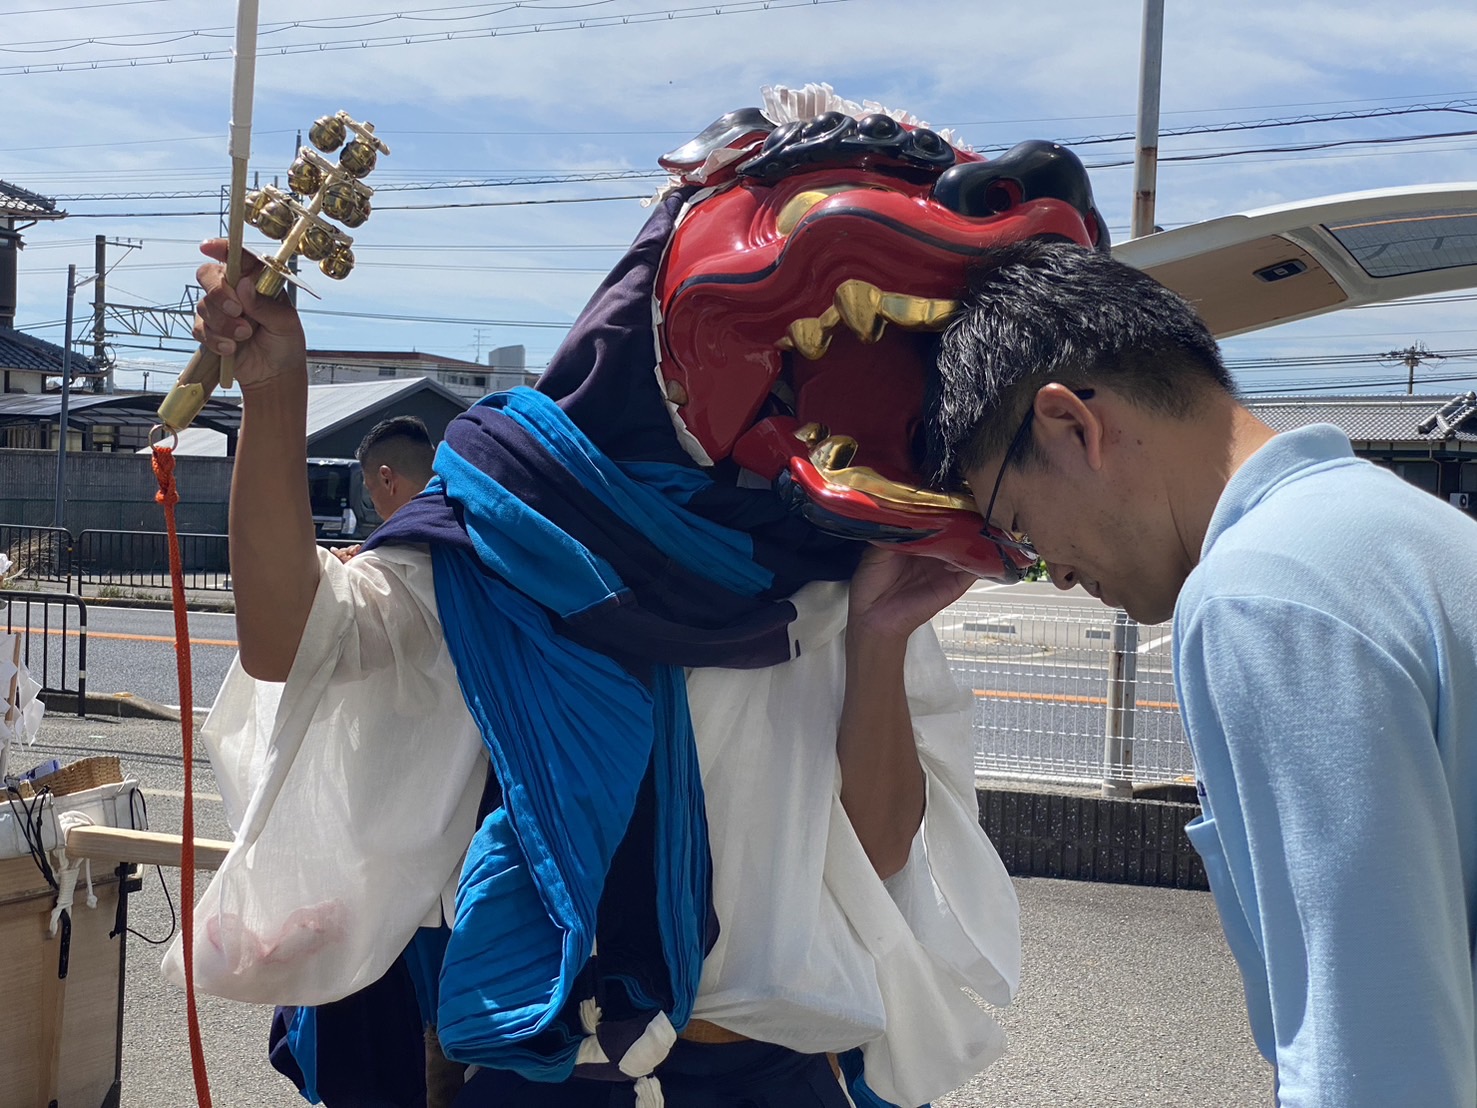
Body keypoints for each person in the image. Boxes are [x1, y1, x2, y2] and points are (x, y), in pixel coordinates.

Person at [174, 197, 1020, 1108]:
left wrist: (879, 636)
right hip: (547, 1057)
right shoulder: (518, 516)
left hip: (761, 1062)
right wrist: (272, 388)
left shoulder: (833, 557)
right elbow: (291, 640)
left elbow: (883, 842)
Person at [928, 237, 1477, 1105]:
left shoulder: (1258, 594)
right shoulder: (1398, 529)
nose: (1050, 571)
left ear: (1072, 427)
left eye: (1021, 526)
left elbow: (1375, 1048)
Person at [330, 415, 437, 562]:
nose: (375, 506)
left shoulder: (398, 548)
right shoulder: (467, 520)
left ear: (387, 479)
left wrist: (350, 569)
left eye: (370, 490)